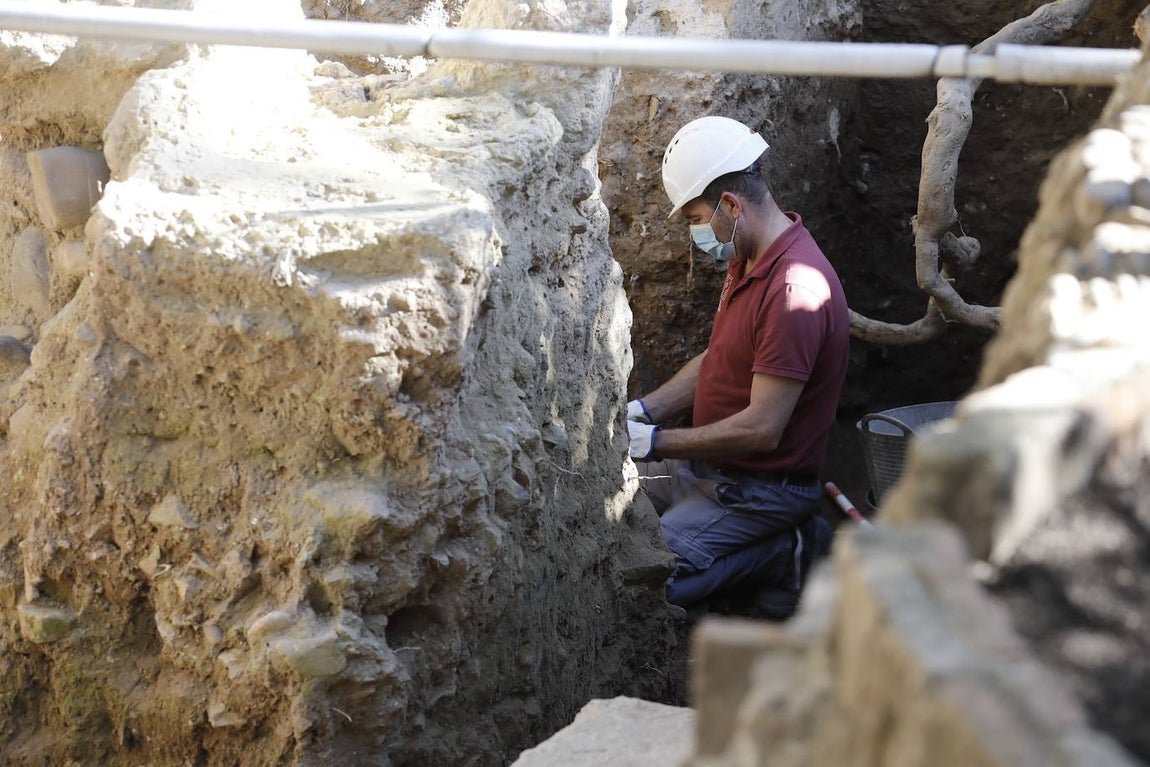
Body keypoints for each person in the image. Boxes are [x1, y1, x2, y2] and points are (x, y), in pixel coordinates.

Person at [625, 115, 849, 620]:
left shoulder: (794, 291)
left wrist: (656, 442)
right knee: (610, 519)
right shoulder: (749, 255)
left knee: (650, 581)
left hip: (760, 490)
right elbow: (721, 358)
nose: (696, 233)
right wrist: (643, 411)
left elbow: (762, 428)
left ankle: (782, 552)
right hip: (711, 469)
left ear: (729, 205)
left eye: (694, 218)